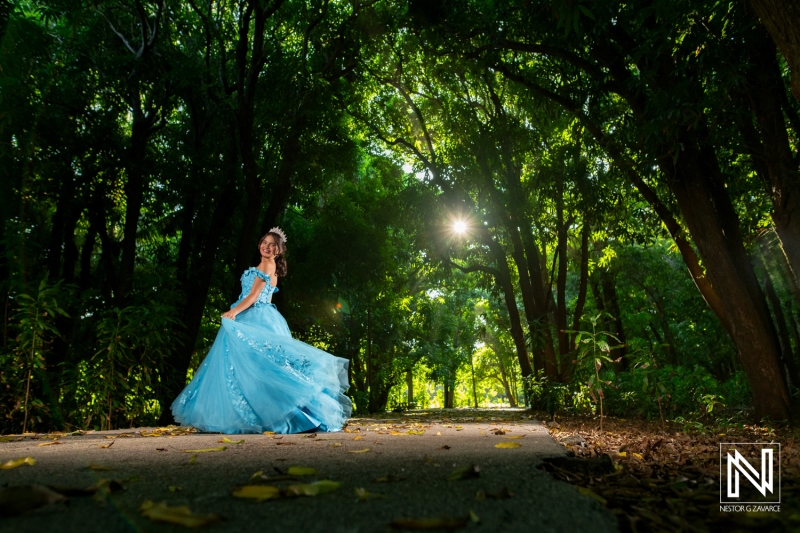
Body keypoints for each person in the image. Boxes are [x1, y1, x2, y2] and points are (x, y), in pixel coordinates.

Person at [172, 227, 352, 433]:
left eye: (272, 245)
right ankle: (255, 413)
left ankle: (257, 415)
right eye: (264, 243)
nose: (266, 247)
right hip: (262, 315)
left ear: (279, 251)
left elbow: (253, 296)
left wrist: (233, 312)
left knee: (253, 366)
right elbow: (268, 297)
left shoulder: (266, 265)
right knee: (256, 367)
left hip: (254, 315)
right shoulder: (270, 266)